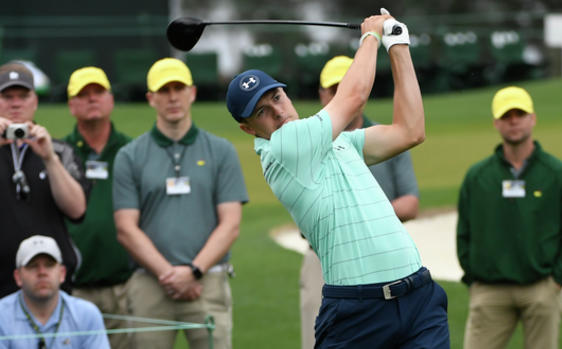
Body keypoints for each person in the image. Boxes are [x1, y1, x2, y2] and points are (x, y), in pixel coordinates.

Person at [226, 9, 449, 348]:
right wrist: (372, 36)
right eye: (262, 112)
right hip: (358, 311)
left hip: (418, 296)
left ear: (286, 93)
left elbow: (410, 131)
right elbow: (353, 98)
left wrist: (399, 45)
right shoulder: (282, 147)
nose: (277, 111)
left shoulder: (340, 140)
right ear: (249, 129)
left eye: (276, 97)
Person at [113, 57, 249, 349]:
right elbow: (126, 228)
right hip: (150, 284)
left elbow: (231, 224)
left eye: (179, 88)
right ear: (151, 98)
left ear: (193, 93)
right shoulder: (130, 155)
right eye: (164, 90)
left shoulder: (221, 151)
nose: (172, 96)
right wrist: (168, 274)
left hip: (207, 280)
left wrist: (193, 271)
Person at [299, 55, 421, 349]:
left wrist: (362, 213)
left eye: (349, 86)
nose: (344, 94)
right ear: (323, 94)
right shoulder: (307, 141)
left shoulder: (387, 135)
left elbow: (410, 203)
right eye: (335, 88)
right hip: (325, 261)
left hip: (384, 261)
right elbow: (307, 222)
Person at [456, 86, 562, 349]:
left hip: (542, 289)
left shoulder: (558, 174)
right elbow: (464, 233)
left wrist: (557, 280)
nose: (513, 120)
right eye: (506, 116)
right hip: (489, 291)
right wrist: (473, 278)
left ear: (533, 118)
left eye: (520, 113)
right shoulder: (477, 177)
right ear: (496, 123)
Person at [0, 61, 88, 298]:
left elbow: (77, 210)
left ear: (35, 101)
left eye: (23, 95)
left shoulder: (60, 150)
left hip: (50, 284)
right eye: (7, 96)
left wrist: (49, 159)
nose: (16, 103)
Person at [63, 66, 133, 349]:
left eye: (98, 92)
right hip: (72, 289)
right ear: (71, 105)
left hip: (124, 286)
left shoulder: (131, 151)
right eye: (84, 94)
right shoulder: (57, 153)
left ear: (111, 100)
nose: (92, 99)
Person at [0, 235, 110, 348]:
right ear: (18, 276)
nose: (42, 272)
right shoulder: (2, 316)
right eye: (33, 266)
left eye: (49, 265)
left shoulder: (87, 314)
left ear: (62, 273)